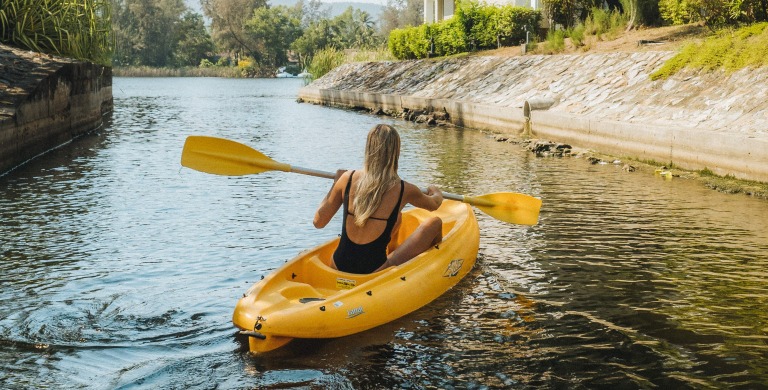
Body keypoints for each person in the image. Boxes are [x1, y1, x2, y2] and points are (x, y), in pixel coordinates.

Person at [313, 124, 444, 274]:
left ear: (368, 149)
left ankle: (392, 249)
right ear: (396, 152)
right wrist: (435, 191)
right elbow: (434, 204)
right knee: (434, 223)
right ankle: (436, 264)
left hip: (338, 265)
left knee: (398, 217)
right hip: (374, 270)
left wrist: (336, 183)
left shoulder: (347, 178)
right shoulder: (404, 189)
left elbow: (318, 222)